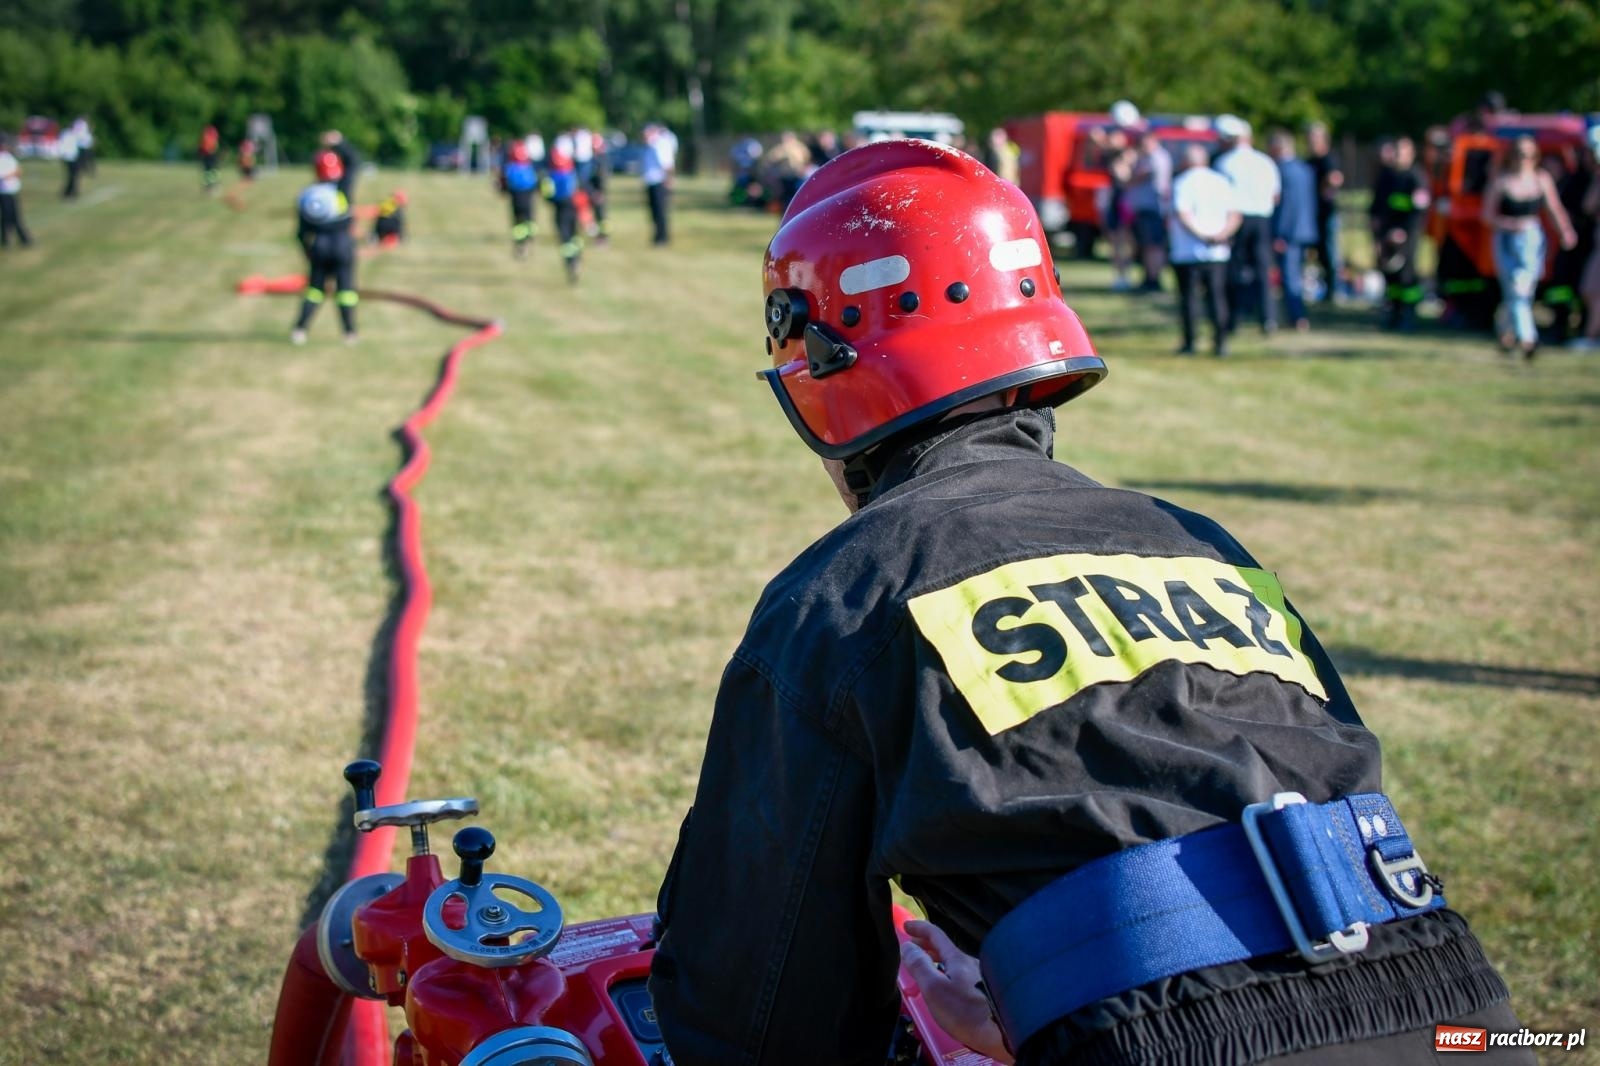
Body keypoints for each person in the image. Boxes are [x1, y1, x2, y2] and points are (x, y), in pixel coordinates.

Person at [648, 138, 1529, 1066]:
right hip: (1466, 1015)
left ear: (819, 372)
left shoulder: (844, 597)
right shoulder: (1202, 545)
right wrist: (1048, 991)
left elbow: (761, 1018)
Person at [1482, 136, 1576, 357]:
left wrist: (1566, 231)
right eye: (1518, 154)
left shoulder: (1541, 179)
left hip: (1531, 240)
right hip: (1505, 239)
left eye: (1528, 154)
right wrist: (1509, 224)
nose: (1523, 159)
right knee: (1514, 289)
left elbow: (1555, 208)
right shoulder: (1502, 181)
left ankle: (1508, 334)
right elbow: (1487, 215)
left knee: (1522, 289)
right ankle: (1527, 338)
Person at [1169, 143, 1240, 356]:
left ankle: (1191, 342)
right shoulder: (1222, 182)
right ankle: (1221, 342)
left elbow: (1184, 214)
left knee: (1189, 298)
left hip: (1188, 251)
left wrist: (1203, 236)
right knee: (1217, 297)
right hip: (1218, 251)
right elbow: (1235, 214)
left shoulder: (1182, 183)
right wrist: (1222, 235)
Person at [1214, 114, 1280, 333]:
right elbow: (1275, 196)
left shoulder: (1225, 162)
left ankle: (1235, 317)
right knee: (1263, 270)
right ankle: (1268, 319)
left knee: (1234, 271)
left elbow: (1221, 197)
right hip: (1262, 219)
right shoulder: (1265, 162)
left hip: (1238, 219)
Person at [290, 150, 359, 346]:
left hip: (318, 248)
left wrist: (307, 253)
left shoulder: (307, 196)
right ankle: (350, 333)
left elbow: (301, 233)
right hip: (343, 247)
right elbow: (354, 162)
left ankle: (300, 330)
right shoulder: (342, 190)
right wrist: (340, 143)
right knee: (346, 291)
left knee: (314, 290)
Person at [1369, 137, 1431, 332]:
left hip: (1407, 235)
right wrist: (1379, 233)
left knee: (1406, 275)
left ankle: (1408, 314)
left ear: (1410, 154)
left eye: (1401, 152)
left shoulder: (1416, 177)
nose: (1396, 155)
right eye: (1395, 151)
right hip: (1386, 235)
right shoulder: (1386, 176)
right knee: (1390, 276)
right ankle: (1392, 313)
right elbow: (1377, 207)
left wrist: (1403, 232)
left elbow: (1419, 210)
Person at [1270, 130, 1319, 331]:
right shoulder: (1305, 169)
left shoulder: (1282, 170)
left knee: (1290, 276)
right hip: (1305, 230)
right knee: (1296, 275)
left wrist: (1281, 233)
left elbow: (1287, 206)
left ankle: (1297, 317)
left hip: (1288, 232)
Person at [1125, 129, 1172, 292]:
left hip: (1153, 209)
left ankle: (1153, 279)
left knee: (1153, 246)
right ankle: (1149, 277)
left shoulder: (1156, 158)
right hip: (1147, 209)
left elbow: (1135, 177)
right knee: (1147, 245)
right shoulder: (1151, 157)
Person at [1306, 121, 1344, 303]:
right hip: (1313, 214)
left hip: (1327, 214)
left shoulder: (1329, 159)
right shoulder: (1309, 160)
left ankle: (1335, 289)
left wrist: (1323, 190)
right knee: (1319, 253)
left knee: (1330, 252)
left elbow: (1335, 179)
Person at [545, 144, 584, 282]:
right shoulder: (572, 173)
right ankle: (578, 257)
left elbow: (548, 196)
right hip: (573, 207)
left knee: (565, 237)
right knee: (574, 235)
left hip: (560, 209)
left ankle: (571, 262)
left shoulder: (550, 176)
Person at [500, 138, 539, 259]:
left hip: (516, 199)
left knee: (518, 222)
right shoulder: (529, 168)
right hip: (527, 198)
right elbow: (535, 184)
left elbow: (504, 185)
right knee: (529, 220)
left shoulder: (510, 168)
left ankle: (520, 245)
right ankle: (528, 240)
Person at [642, 123, 675, 246]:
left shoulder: (660, 145)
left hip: (659, 182)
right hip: (651, 182)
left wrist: (669, 180)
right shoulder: (649, 147)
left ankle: (663, 237)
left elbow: (667, 165)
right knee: (654, 212)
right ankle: (657, 237)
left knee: (661, 212)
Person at [0, 134, 34, 248]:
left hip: (11, 191)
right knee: (11, 217)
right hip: (4, 192)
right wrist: (12, 174)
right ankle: (22, 239)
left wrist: (14, 173)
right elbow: (5, 174)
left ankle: (8, 240)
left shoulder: (8, 157)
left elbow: (18, 171)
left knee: (11, 216)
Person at [321, 130, 360, 203]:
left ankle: (347, 206)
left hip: (349, 169)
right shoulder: (342, 146)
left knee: (345, 188)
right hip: (347, 168)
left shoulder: (340, 146)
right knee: (343, 188)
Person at [586, 131, 610, 243]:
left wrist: (599, 193)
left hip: (598, 192)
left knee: (601, 216)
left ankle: (603, 237)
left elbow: (602, 179)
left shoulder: (601, 159)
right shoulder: (591, 159)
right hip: (592, 191)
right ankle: (598, 236)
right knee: (594, 216)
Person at [58, 122, 81, 199]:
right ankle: (69, 192)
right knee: (71, 176)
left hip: (74, 157)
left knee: (75, 175)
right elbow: (62, 144)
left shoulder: (74, 134)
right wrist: (61, 154)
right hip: (68, 157)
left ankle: (73, 191)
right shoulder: (66, 134)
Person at [200, 124, 222, 194]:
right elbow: (212, 148)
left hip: (208, 156)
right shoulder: (210, 138)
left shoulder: (206, 137)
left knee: (210, 171)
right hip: (210, 156)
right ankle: (211, 185)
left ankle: (210, 185)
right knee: (211, 171)